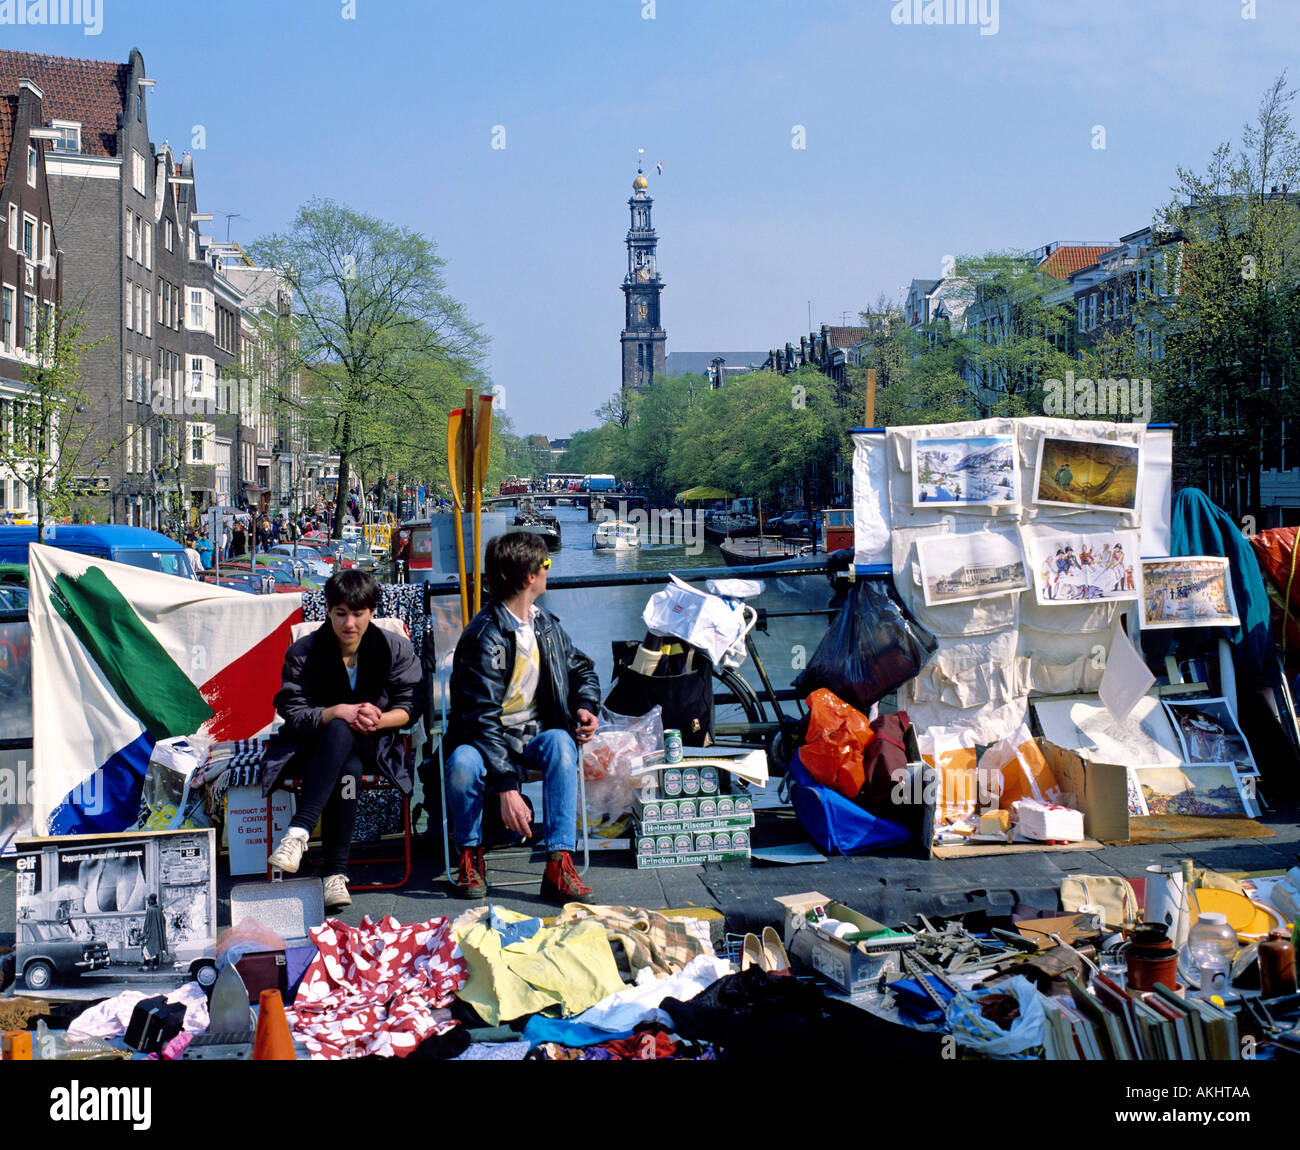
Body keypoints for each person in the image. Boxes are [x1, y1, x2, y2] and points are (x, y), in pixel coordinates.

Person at [444, 532, 600, 904]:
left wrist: (586, 706)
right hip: (483, 742)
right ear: (530, 576)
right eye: (545, 564)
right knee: (462, 763)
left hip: (532, 736)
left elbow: (582, 670)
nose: (550, 570)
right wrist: (507, 787)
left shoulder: (545, 624)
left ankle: (559, 862)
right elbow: (480, 719)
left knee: (562, 743)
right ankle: (470, 855)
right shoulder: (483, 636)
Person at [264, 569, 421, 913]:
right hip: (315, 748)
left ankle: (298, 833)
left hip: (374, 745)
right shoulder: (304, 652)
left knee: (345, 740)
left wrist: (380, 719)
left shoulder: (394, 647)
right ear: (328, 612)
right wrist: (335, 711)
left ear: (371, 612)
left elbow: (411, 705)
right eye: (341, 614)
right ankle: (335, 874)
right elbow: (293, 712)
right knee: (345, 764)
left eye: (358, 614)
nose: (349, 623)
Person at [139, 894, 167, 972]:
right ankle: (155, 966)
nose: (147, 902)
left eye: (148, 900)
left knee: (146, 950)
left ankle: (145, 966)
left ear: (152, 900)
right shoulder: (159, 910)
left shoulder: (150, 910)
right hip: (157, 934)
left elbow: (147, 924)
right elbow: (164, 921)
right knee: (156, 950)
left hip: (151, 934)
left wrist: (144, 934)